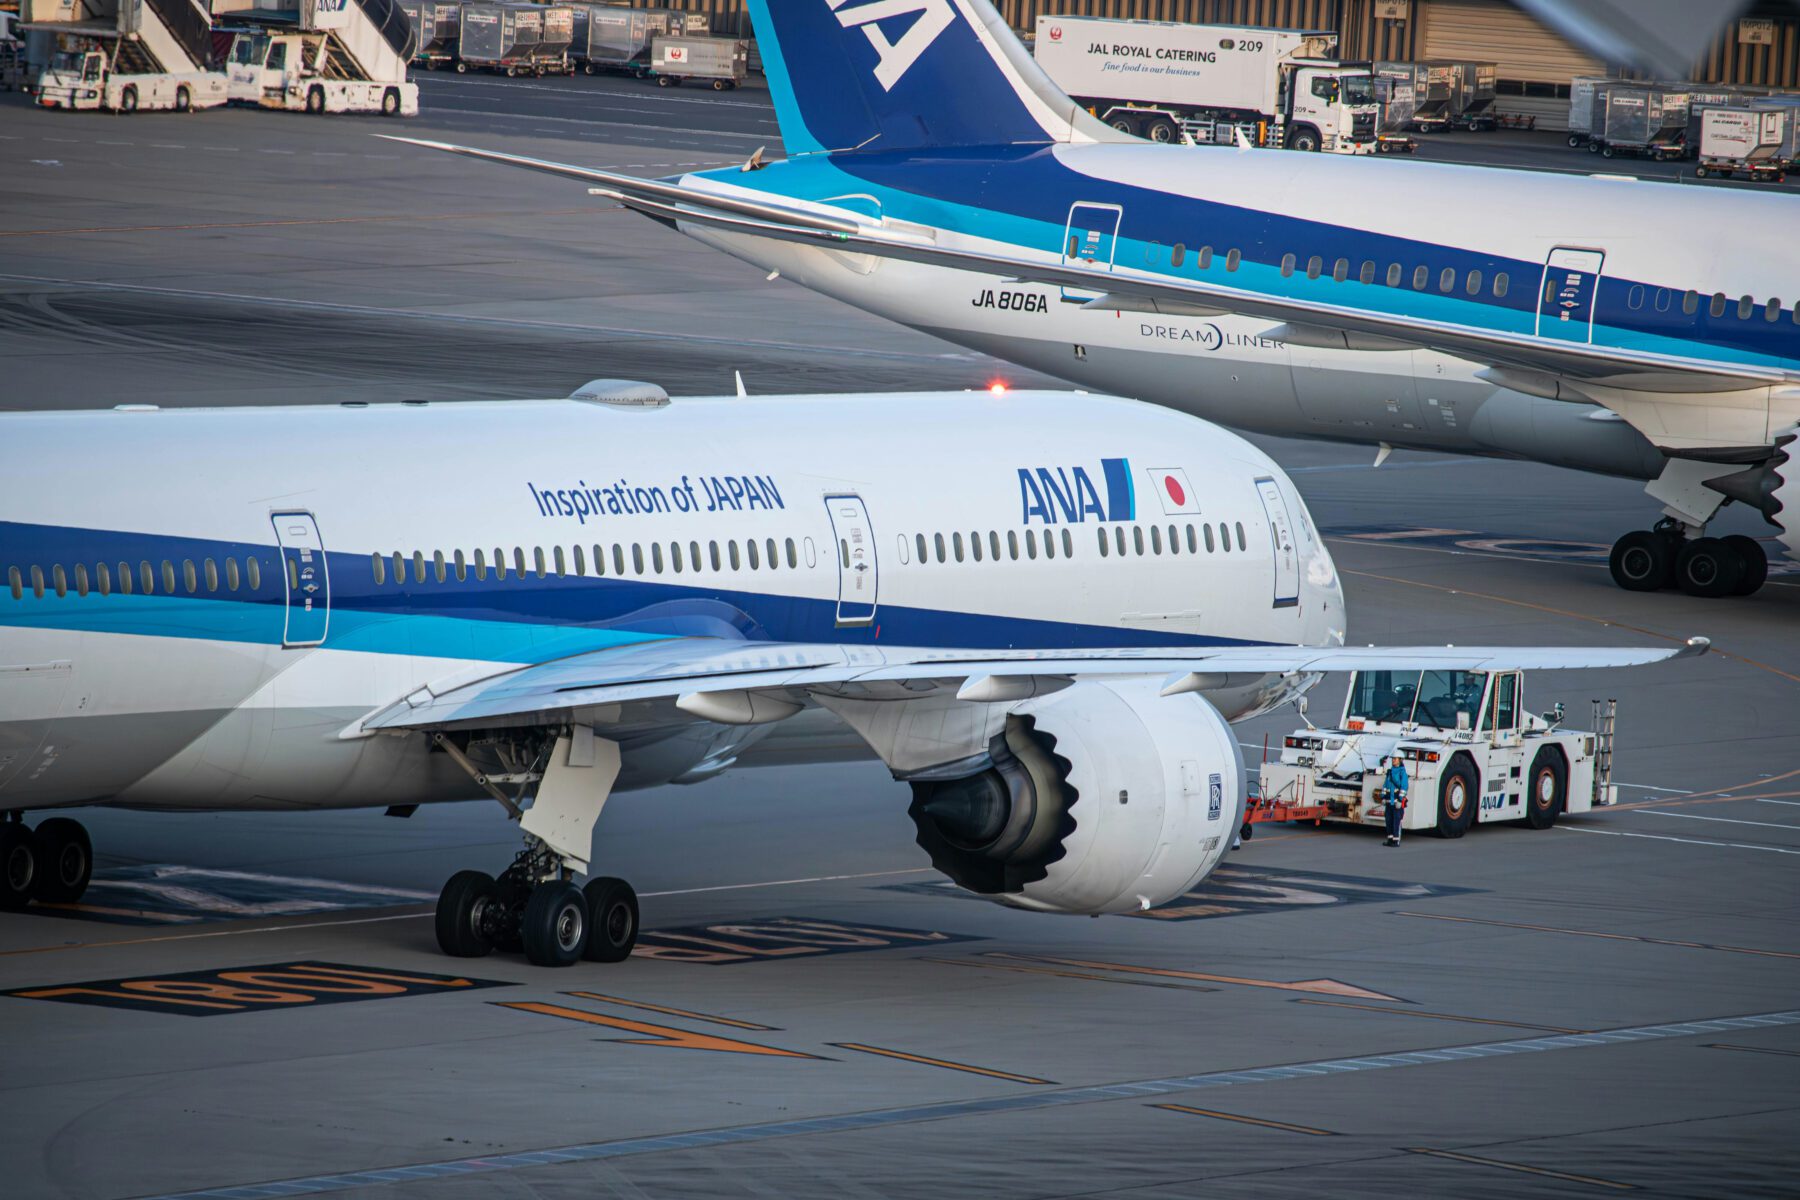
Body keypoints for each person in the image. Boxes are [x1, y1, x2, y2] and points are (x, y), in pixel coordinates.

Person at [1380, 755, 1409, 846]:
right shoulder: (1390, 772)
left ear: (1400, 760)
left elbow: (1404, 787)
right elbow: (1385, 785)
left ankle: (1396, 841)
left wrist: (1400, 800)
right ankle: (1390, 840)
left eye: (1395, 759)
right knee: (1389, 820)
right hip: (1389, 801)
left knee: (1396, 821)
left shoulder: (1402, 773)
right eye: (1393, 759)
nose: (1393, 760)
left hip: (1397, 801)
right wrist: (1383, 797)